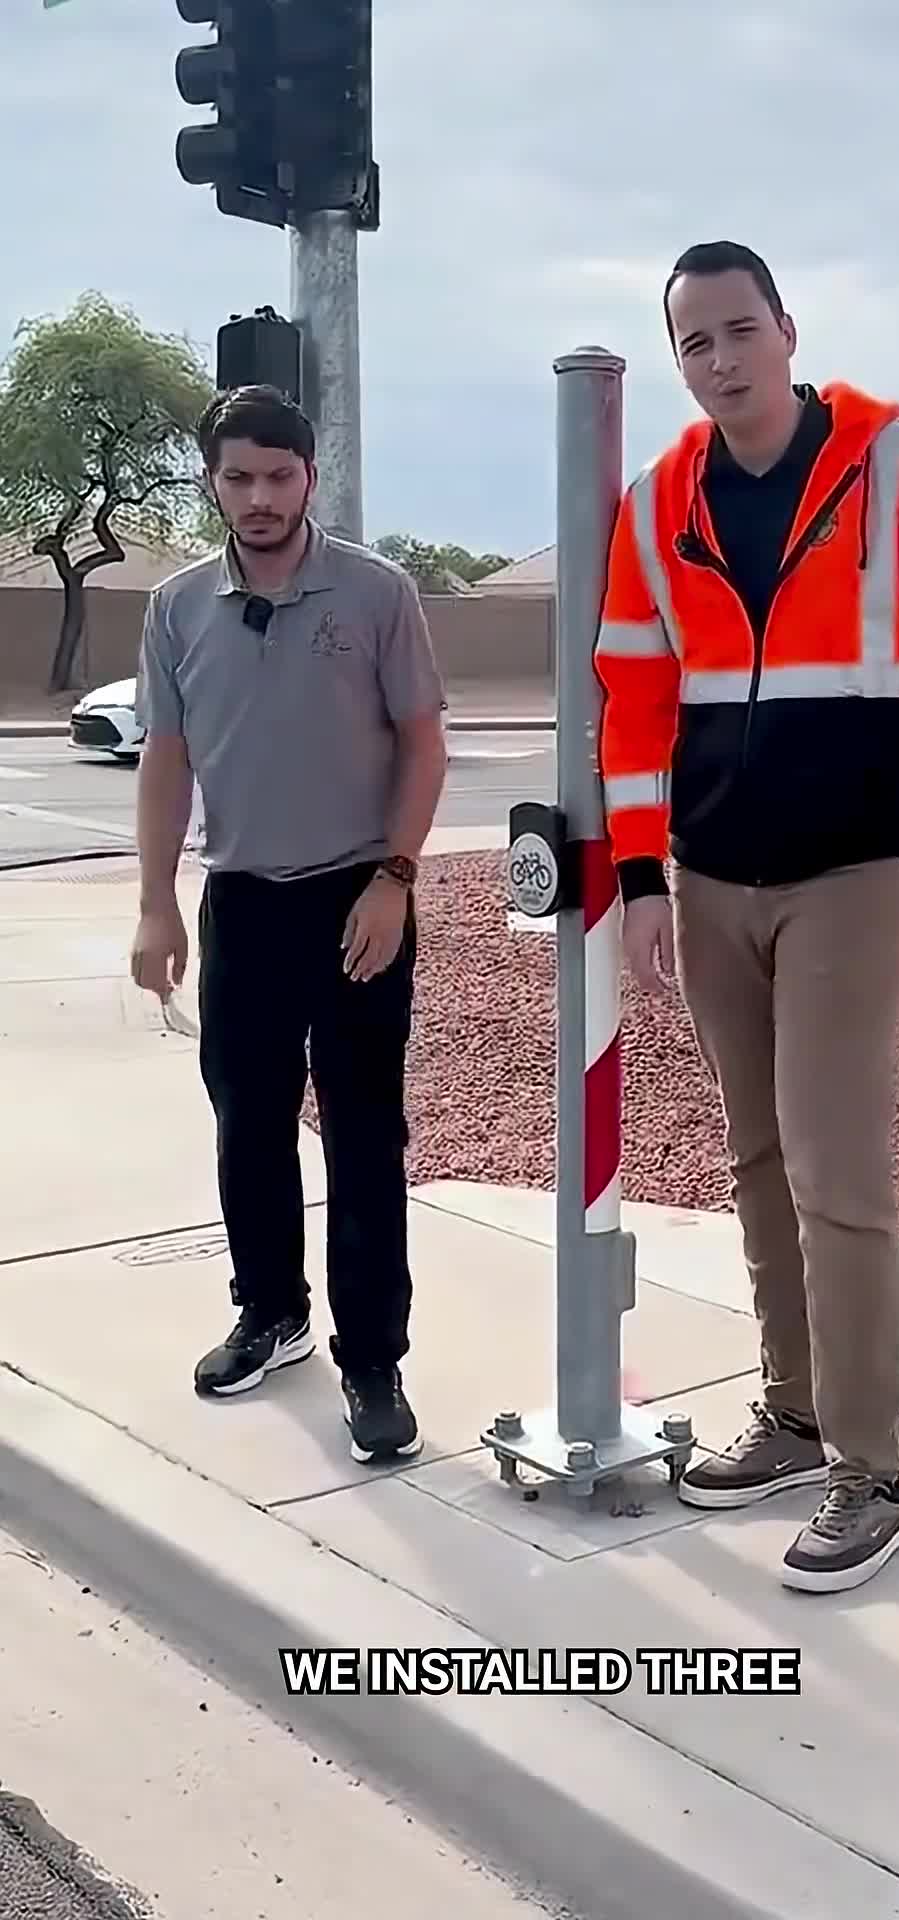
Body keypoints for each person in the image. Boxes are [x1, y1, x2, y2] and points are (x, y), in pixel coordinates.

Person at [594, 241, 899, 1592]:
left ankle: (873, 1467)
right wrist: (639, 878)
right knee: (756, 1160)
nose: (721, 359)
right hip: (710, 879)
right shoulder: (657, 508)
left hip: (853, 875)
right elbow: (634, 706)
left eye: (740, 330)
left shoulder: (894, 467)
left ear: (787, 331)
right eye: (695, 343)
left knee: (837, 1172)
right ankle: (797, 1416)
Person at [130, 384, 447, 1464]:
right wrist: (156, 902)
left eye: (278, 475)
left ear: (310, 475)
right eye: (236, 477)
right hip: (243, 905)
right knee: (248, 1124)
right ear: (211, 481)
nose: (258, 497)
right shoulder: (176, 605)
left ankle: (374, 1359)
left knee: (364, 1136)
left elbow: (424, 743)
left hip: (357, 898)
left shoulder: (375, 592)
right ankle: (270, 1311)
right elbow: (166, 760)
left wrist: (395, 879)